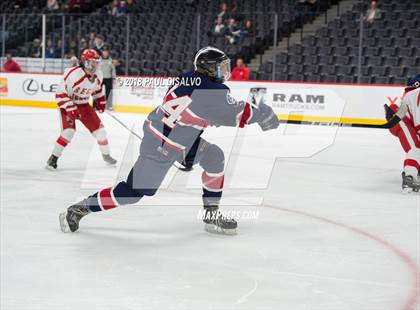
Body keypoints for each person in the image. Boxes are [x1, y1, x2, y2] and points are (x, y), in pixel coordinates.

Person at [58, 46, 279, 235]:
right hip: (162, 145)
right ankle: (80, 208)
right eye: (220, 67)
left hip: (177, 136)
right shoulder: (211, 91)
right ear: (207, 68)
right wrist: (264, 114)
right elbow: (235, 113)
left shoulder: (189, 78)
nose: (225, 72)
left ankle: (211, 214)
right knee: (133, 192)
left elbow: (205, 111)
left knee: (214, 157)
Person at [46, 49, 117, 170]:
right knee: (68, 132)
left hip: (84, 105)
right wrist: (71, 108)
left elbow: (97, 89)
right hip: (68, 104)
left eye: (96, 61)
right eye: (92, 61)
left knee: (101, 132)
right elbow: (59, 94)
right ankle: (53, 158)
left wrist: (100, 101)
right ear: (85, 62)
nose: (95, 64)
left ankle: (106, 155)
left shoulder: (98, 74)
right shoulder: (72, 74)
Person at [385, 74, 420, 192]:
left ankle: (412, 173)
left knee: (415, 148)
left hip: (401, 120)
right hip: (400, 120)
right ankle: (409, 177)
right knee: (415, 148)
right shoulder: (413, 96)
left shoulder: (411, 94)